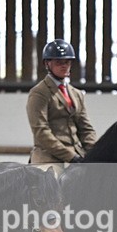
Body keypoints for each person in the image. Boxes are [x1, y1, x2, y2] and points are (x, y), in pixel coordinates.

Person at [26, 39, 97, 172]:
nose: (64, 66)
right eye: (59, 62)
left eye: (67, 62)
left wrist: (94, 152)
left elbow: (85, 128)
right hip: (49, 157)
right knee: (51, 184)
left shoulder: (76, 94)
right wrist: (70, 156)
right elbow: (41, 131)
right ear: (47, 64)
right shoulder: (39, 93)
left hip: (77, 156)